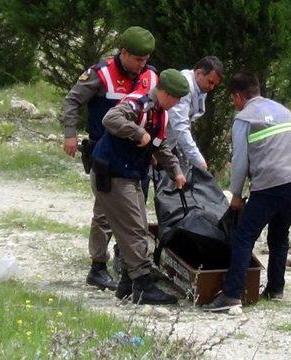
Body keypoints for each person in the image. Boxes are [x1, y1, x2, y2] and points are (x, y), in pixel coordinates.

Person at [203, 72, 291, 312]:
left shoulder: (244, 118)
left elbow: (240, 161)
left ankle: (231, 296)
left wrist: (237, 195)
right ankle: (275, 289)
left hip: (270, 184)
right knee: (279, 236)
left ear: (238, 96)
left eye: (234, 99)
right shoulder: (283, 110)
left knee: (244, 237)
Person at [61, 26, 158, 291]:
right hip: (104, 154)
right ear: (124, 53)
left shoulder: (150, 75)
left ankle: (127, 262)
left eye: (146, 59)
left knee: (136, 212)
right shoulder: (101, 74)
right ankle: (97, 266)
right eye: (138, 59)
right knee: (104, 211)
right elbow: (72, 102)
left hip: (137, 157)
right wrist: (70, 134)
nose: (143, 64)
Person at [91, 69, 190, 305]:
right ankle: (143, 285)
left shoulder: (160, 114)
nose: (176, 104)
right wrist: (138, 133)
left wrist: (175, 169)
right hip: (112, 173)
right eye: (174, 98)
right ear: (163, 92)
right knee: (134, 230)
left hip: (130, 174)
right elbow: (110, 119)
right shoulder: (138, 104)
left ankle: (127, 281)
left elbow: (159, 145)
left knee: (138, 226)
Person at [166, 56, 224, 170]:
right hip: (156, 141)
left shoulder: (200, 88)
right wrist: (198, 160)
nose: (212, 87)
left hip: (167, 143)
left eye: (215, 85)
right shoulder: (184, 86)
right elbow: (180, 125)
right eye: (210, 82)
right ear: (198, 73)